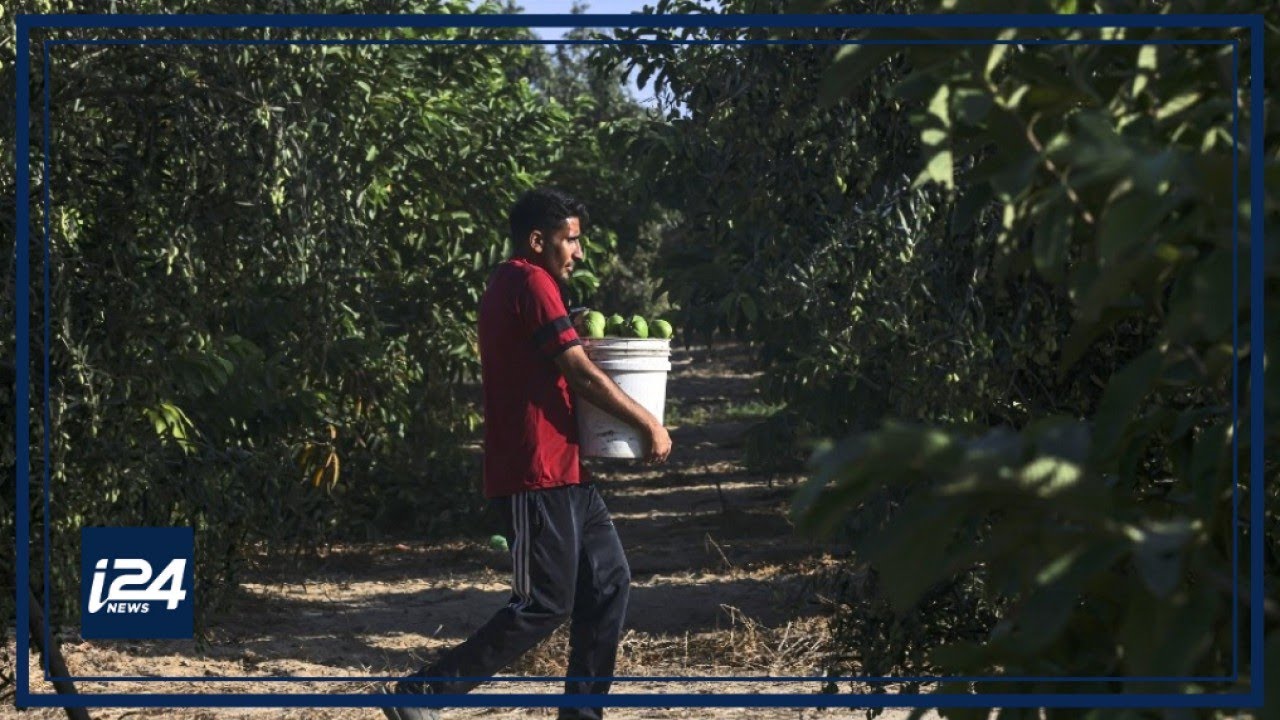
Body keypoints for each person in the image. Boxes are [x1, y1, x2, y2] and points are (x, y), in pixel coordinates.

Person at [381, 188, 672, 720]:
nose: (578, 252)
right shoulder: (531, 281)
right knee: (543, 603)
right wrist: (647, 421)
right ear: (538, 241)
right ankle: (422, 694)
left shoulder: (515, 282)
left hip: (567, 468)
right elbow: (579, 371)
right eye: (570, 240)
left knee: (608, 582)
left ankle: (581, 715)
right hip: (535, 470)